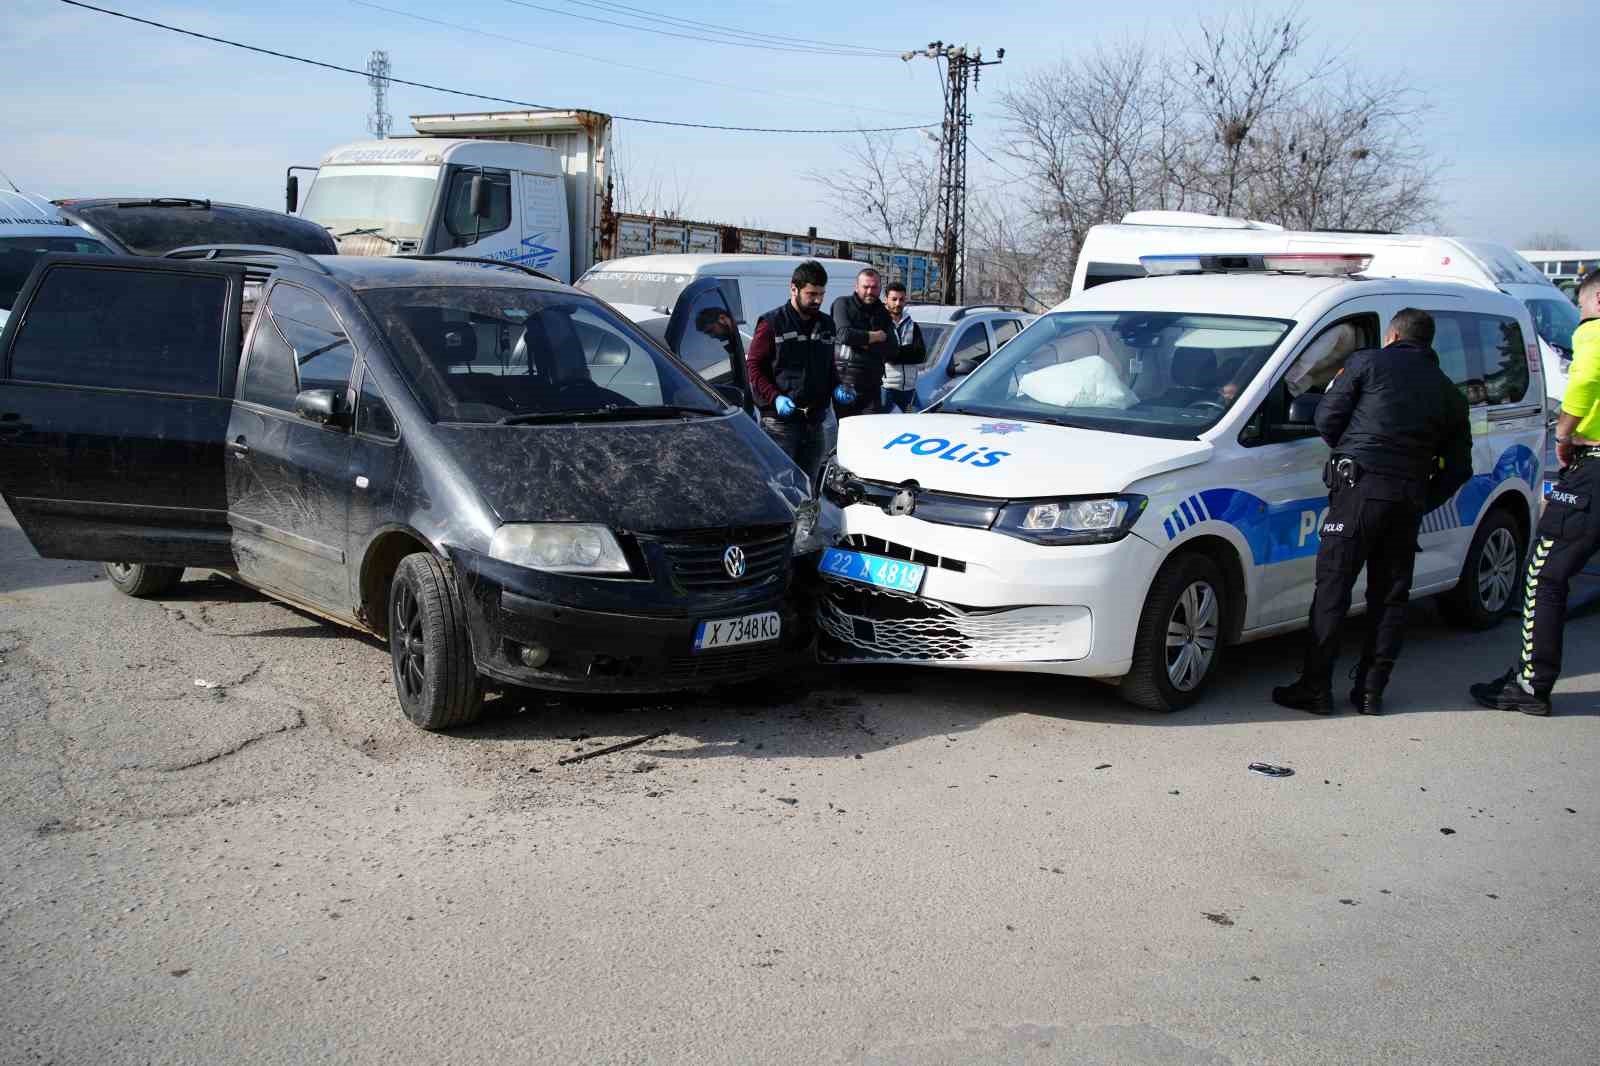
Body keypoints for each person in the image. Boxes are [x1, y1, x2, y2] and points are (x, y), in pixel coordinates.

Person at [1272, 308, 1473, 715]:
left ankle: (1315, 689)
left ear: (1393, 335)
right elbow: (1459, 469)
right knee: (1390, 598)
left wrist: (1349, 457)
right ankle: (1369, 692)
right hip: (1408, 501)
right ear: (1427, 342)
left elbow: (1327, 416)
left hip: (1358, 490)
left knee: (1333, 589)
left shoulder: (1366, 362)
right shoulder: (1450, 392)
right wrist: (1422, 499)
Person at [1471, 270, 1600, 715]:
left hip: (1595, 468)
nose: (1581, 318)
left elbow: (1584, 383)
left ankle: (1531, 684)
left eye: (1581, 307)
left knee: (1545, 576)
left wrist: (1564, 433)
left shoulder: (1596, 333)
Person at [744, 260, 850, 483]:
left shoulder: (826, 324)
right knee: (780, 485)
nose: (818, 300)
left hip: (814, 422)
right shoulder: (772, 324)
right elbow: (754, 367)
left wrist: (837, 386)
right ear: (794, 288)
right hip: (780, 425)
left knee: (808, 485)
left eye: (821, 294)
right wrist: (775, 398)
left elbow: (827, 366)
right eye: (811, 294)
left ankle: (806, 519)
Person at [830, 267, 894, 418]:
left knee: (870, 433)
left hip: (872, 387)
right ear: (856, 286)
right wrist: (876, 336)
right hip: (845, 384)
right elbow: (844, 335)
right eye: (866, 287)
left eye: (874, 287)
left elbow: (892, 348)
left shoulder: (883, 312)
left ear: (880, 288)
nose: (870, 291)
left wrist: (861, 340)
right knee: (847, 433)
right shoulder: (842, 304)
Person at [879, 281, 926, 412]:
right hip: (886, 388)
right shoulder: (880, 324)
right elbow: (886, 355)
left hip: (909, 389)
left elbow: (920, 355)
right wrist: (907, 352)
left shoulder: (913, 325)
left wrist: (896, 352)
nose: (898, 303)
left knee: (920, 423)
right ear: (886, 300)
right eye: (894, 299)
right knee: (878, 426)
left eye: (901, 299)